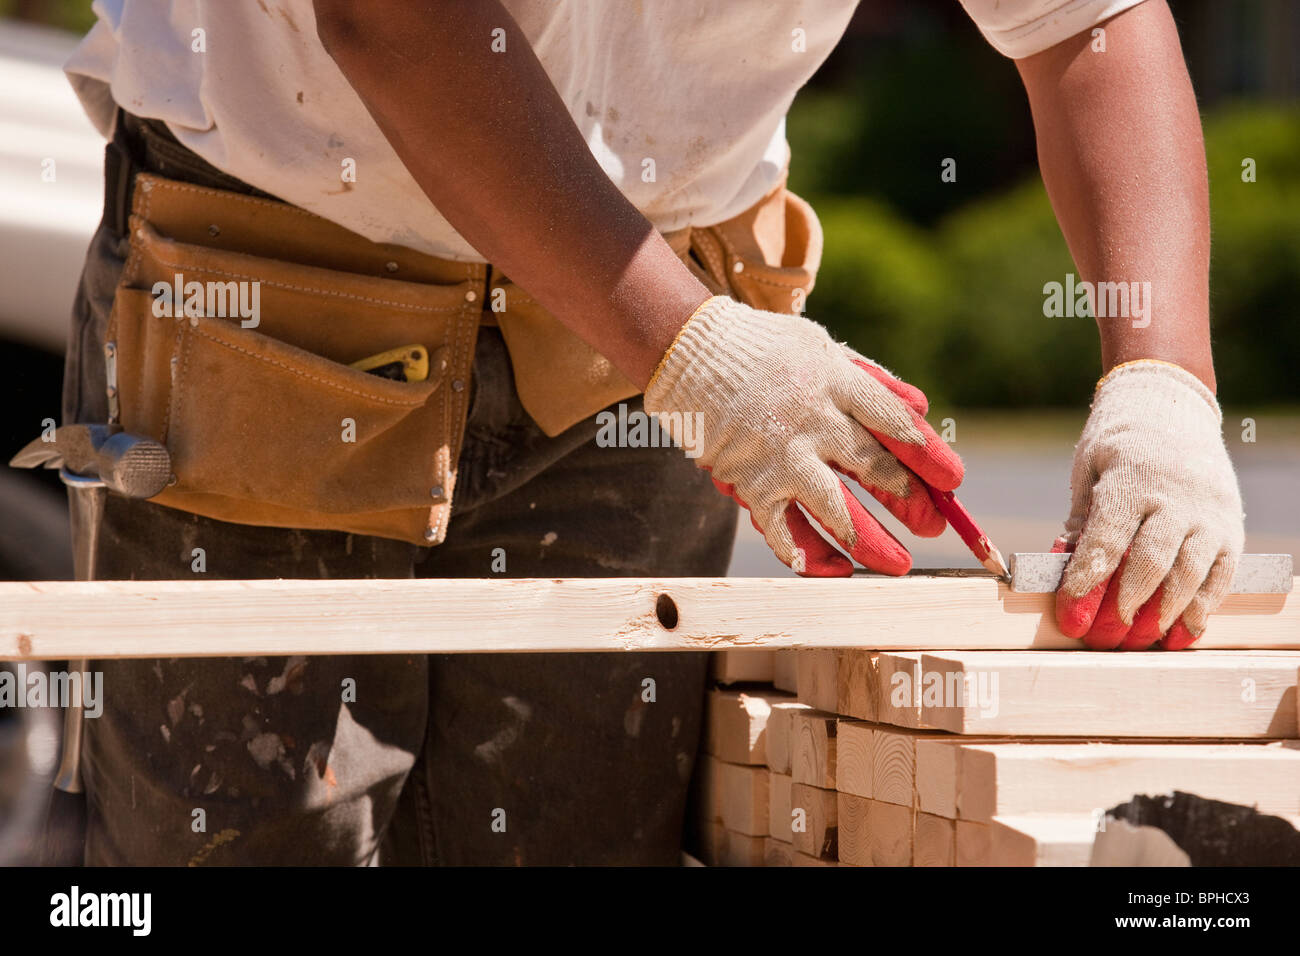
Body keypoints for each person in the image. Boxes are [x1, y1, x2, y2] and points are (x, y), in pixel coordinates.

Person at [54, 0, 1242, 865]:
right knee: (242, 845)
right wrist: (692, 351)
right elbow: (399, 24)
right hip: (277, 283)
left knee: (573, 835)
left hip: (657, 319)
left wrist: (1162, 381)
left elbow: (1088, 24)